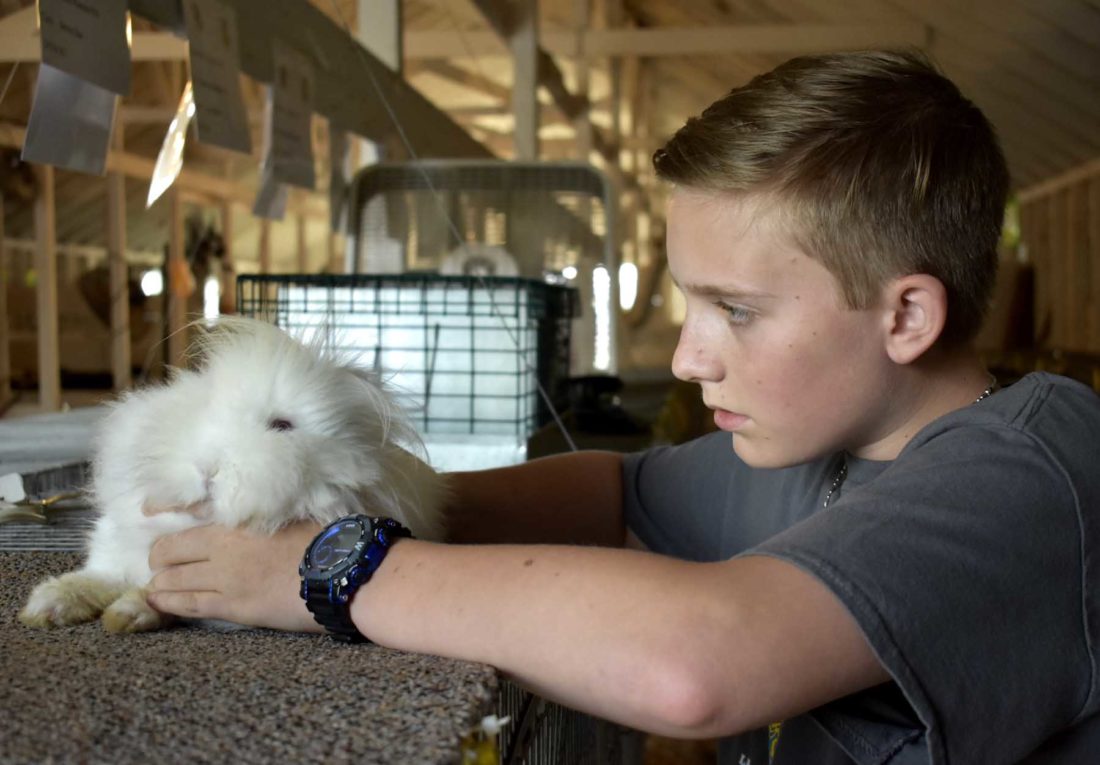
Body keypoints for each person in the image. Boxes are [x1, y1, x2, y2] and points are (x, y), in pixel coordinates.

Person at [145, 50, 1100, 764]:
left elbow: (697, 666)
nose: (688, 357)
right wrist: (342, 499)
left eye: (736, 310)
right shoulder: (831, 441)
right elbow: (615, 492)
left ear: (907, 317)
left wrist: (334, 567)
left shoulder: (1030, 474)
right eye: (691, 304)